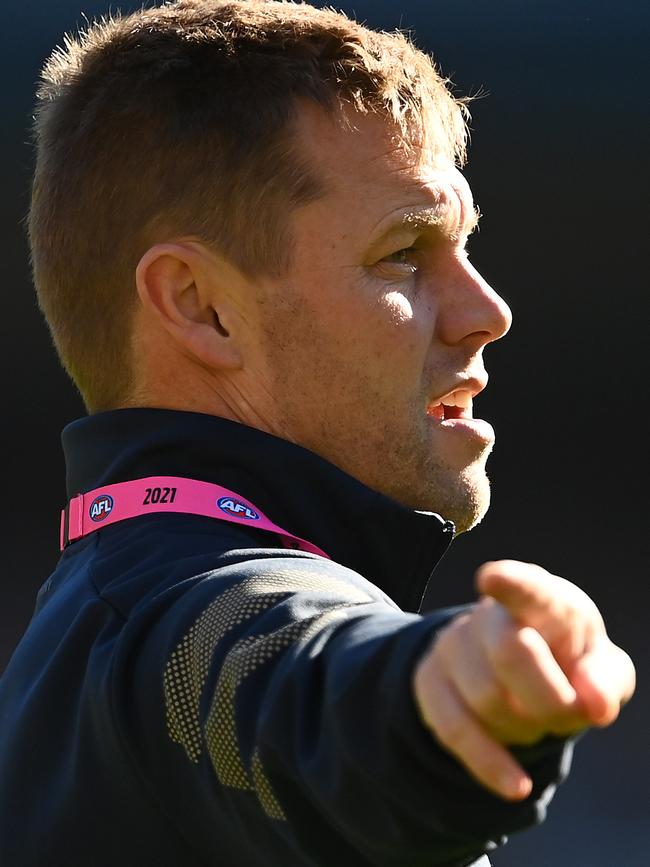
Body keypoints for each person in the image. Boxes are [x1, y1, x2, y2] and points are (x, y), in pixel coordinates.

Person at [0, 1, 635, 865]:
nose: (490, 312)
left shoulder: (99, 617)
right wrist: (431, 695)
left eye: (465, 247)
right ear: (202, 306)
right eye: (404, 252)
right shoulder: (178, 615)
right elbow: (296, 678)